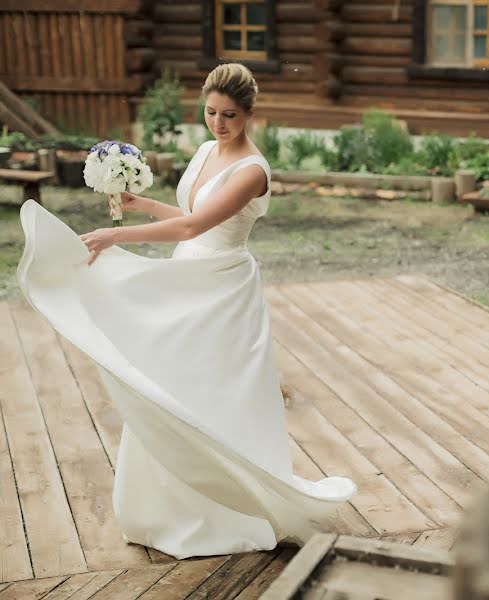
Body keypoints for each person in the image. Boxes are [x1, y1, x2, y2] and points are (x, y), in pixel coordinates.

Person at [17, 63, 355, 559]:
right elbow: (190, 217)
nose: (219, 124)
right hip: (187, 276)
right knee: (170, 385)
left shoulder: (253, 171)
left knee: (214, 393)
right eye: (211, 112)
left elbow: (196, 230)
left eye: (230, 116)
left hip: (222, 290)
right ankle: (167, 508)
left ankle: (230, 507)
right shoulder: (205, 151)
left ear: (250, 114)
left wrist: (116, 235)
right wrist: (145, 206)